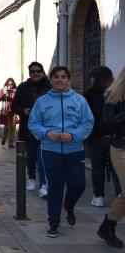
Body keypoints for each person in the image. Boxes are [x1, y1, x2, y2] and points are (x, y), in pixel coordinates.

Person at [28, 66, 94, 238]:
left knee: (78, 184)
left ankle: (69, 205)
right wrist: (46, 133)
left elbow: (88, 123)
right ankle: (54, 223)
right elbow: (33, 124)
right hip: (51, 150)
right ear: (50, 80)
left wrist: (74, 135)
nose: (59, 79)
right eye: (56, 76)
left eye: (63, 77)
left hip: (75, 150)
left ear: (68, 80)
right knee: (55, 187)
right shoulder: (42, 101)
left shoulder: (79, 100)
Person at [12, 61, 51, 197]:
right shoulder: (23, 87)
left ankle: (44, 185)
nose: (35, 73)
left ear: (42, 72)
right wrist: (24, 110)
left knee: (42, 157)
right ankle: (31, 178)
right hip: (28, 128)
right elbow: (14, 105)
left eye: (38, 71)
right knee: (30, 156)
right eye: (32, 71)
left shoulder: (49, 86)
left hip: (46, 127)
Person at [97, 67, 125, 248]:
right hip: (121, 148)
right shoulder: (114, 96)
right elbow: (106, 125)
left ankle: (108, 225)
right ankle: (108, 225)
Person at [84, 66, 120, 207]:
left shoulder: (88, 95)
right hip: (114, 136)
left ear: (94, 78)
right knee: (116, 168)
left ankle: (98, 197)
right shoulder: (116, 93)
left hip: (96, 137)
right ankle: (119, 195)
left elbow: (86, 117)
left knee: (97, 167)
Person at [0, 78, 18, 148]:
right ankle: (4, 138)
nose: (10, 85)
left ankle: (10, 143)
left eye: (12, 84)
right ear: (6, 84)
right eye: (9, 84)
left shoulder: (16, 90)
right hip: (6, 111)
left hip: (14, 111)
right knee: (7, 127)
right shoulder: (3, 90)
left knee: (13, 127)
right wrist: (4, 94)